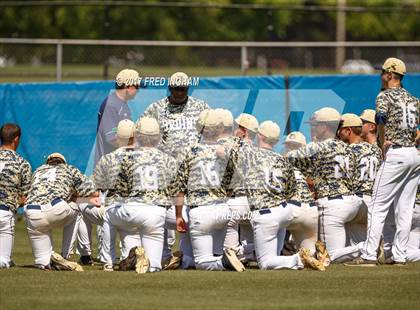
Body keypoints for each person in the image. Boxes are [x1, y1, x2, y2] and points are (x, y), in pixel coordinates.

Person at [346, 57, 420, 266]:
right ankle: (399, 255)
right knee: (405, 209)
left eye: (382, 73)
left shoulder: (384, 96)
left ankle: (369, 254)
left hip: (396, 153)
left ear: (389, 74)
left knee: (377, 206)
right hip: (414, 155)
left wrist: (381, 141)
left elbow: (380, 119)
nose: (381, 76)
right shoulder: (413, 99)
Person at [225, 121, 324, 271]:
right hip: (284, 211)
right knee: (274, 256)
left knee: (265, 263)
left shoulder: (251, 153)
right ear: (277, 141)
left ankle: (297, 258)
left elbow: (225, 151)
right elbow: (290, 189)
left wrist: (238, 137)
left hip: (266, 214)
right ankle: (305, 255)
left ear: (259, 136)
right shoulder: (281, 159)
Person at [101, 117, 177, 273]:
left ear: (137, 135)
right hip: (156, 213)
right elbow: (174, 192)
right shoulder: (169, 159)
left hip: (132, 209)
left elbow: (120, 190)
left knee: (108, 213)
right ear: (158, 136)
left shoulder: (127, 156)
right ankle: (150, 264)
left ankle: (108, 262)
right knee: (154, 266)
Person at [174, 110, 245, 272]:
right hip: (223, 209)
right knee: (216, 254)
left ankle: (225, 262)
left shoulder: (189, 151)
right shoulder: (228, 151)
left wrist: (178, 215)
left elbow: (180, 188)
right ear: (220, 129)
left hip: (201, 212)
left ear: (200, 128)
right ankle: (227, 259)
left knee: (202, 262)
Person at [287, 108, 358, 258]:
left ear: (324, 127)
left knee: (329, 256)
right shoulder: (347, 148)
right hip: (352, 202)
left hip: (332, 203)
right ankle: (367, 246)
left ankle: (368, 246)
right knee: (344, 252)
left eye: (315, 125)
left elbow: (288, 158)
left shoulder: (317, 146)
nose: (312, 128)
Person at [78, 119, 140, 266]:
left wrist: (79, 197)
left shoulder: (107, 159)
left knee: (80, 206)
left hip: (114, 211)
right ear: (135, 136)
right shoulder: (146, 156)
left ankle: (92, 257)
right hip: (140, 211)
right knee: (129, 240)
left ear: (118, 137)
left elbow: (93, 189)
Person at [24, 153, 97, 271]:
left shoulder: (38, 171)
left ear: (47, 162)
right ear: (63, 162)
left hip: (32, 212)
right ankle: (66, 255)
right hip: (56, 208)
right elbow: (93, 192)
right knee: (77, 206)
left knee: (43, 262)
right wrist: (74, 196)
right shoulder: (69, 169)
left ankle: (45, 261)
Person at [326, 114, 381, 263]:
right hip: (374, 202)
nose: (338, 133)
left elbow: (343, 177)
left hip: (357, 200)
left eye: (341, 130)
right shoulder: (375, 149)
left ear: (349, 131)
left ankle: (366, 248)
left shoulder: (348, 151)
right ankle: (369, 250)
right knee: (360, 251)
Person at [141, 72, 209, 159]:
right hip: (165, 162)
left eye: (183, 89)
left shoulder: (200, 107)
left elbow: (214, 130)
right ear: (170, 88)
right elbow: (140, 132)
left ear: (188, 89)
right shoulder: (156, 108)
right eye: (176, 89)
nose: (180, 93)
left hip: (192, 161)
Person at [221, 113, 258, 263]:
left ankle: (238, 253)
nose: (234, 129)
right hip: (253, 203)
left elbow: (220, 153)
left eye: (238, 127)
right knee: (249, 241)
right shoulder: (259, 150)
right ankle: (253, 251)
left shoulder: (234, 146)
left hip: (235, 202)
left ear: (244, 131)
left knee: (229, 253)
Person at [283, 131, 321, 260]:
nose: (290, 149)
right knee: (307, 257)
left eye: (294, 146)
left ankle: (247, 252)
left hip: (294, 210)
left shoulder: (282, 163)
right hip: (311, 212)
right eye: (288, 145)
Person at [0, 123, 32, 268]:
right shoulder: (22, 163)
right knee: (3, 261)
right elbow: (25, 197)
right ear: (16, 139)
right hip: (5, 213)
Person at [94, 69, 141, 165]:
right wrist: (137, 149)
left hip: (118, 164)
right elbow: (112, 138)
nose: (138, 90)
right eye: (137, 87)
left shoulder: (120, 103)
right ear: (129, 87)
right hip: (109, 167)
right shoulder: (111, 105)